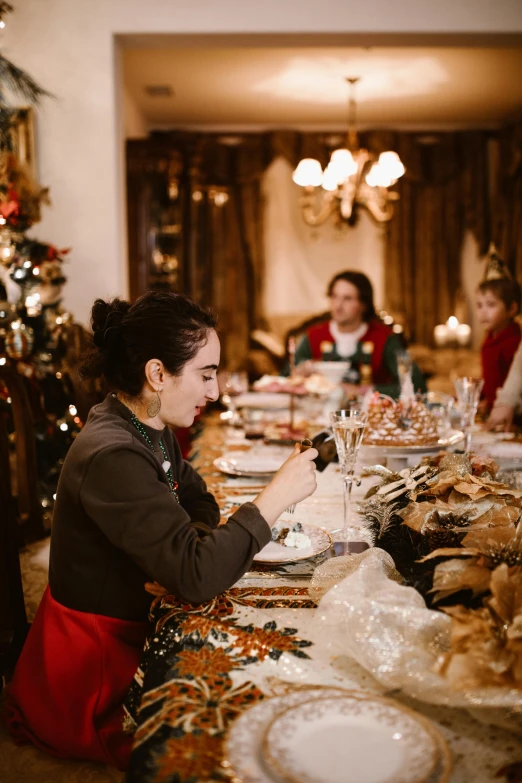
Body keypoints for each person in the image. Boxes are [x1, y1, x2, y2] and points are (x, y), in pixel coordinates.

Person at [6, 291, 318, 769]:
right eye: (205, 374)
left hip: (129, 629)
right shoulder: (113, 453)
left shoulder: (146, 422)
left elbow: (201, 500)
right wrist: (273, 498)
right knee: (246, 732)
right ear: (157, 374)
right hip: (97, 671)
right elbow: (197, 576)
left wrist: (183, 546)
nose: (214, 392)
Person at [293, 270, 426, 398]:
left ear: (363, 304)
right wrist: (299, 373)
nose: (338, 306)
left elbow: (417, 385)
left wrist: (363, 390)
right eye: (334, 297)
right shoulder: (312, 336)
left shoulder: (386, 339)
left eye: (347, 298)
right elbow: (285, 376)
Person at [476, 264, 521, 415]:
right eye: (479, 305)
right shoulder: (490, 339)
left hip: (510, 414)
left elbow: (514, 384)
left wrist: (493, 404)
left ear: (512, 309)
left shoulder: (514, 343)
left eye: (491, 305)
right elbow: (491, 380)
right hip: (493, 410)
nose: (483, 312)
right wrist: (481, 398)